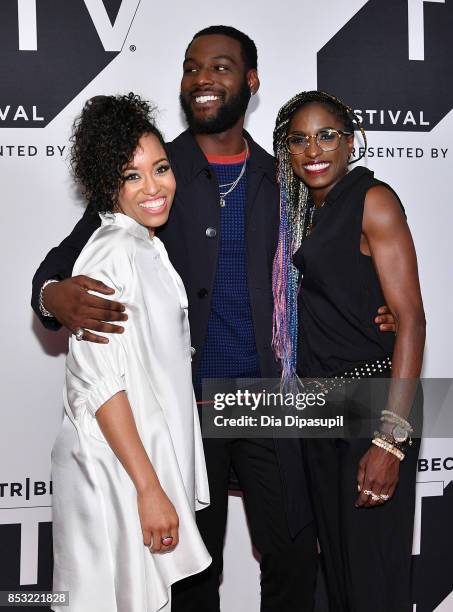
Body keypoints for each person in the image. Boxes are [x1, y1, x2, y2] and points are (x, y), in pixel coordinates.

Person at [32, 27, 395, 611]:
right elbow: (61, 262)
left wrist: (375, 311)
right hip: (183, 407)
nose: (203, 78)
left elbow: (336, 260)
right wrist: (53, 296)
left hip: (269, 403)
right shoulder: (150, 171)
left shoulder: (286, 179)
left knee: (293, 556)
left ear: (250, 83)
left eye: (221, 67)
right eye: (191, 67)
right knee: (192, 572)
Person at [50, 93, 210, 612]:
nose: (153, 187)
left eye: (160, 168)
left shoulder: (145, 245)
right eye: (132, 176)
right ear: (106, 185)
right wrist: (149, 488)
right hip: (117, 472)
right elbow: (99, 384)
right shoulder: (111, 250)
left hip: (135, 466)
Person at [272, 90, 426, 612]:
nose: (313, 149)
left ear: (351, 141)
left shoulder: (372, 199)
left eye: (327, 135)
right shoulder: (305, 214)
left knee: (372, 584)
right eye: (299, 139)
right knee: (340, 580)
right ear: (287, 152)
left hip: (373, 406)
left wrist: (390, 440)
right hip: (323, 409)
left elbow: (410, 319)